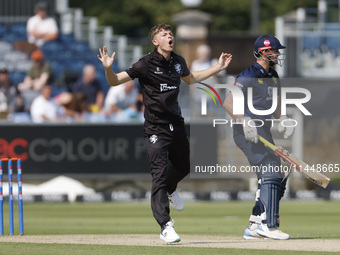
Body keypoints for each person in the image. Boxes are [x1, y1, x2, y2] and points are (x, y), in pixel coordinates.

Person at [98, 24, 232, 243]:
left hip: (176, 123)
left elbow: (191, 78)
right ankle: (165, 226)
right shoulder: (145, 64)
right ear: (155, 41)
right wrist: (107, 69)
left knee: (183, 167)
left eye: (171, 34)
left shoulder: (178, 61)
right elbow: (114, 81)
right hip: (155, 127)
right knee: (158, 174)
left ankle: (171, 189)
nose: (169, 36)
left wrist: (218, 67)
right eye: (164, 34)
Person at [223, 35, 295, 240]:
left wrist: (283, 118)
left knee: (277, 175)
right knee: (271, 171)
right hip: (246, 132)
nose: (278, 54)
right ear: (263, 52)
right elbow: (228, 102)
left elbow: (275, 102)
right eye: (275, 50)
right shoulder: (248, 75)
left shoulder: (273, 75)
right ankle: (267, 224)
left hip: (264, 132)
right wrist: (244, 119)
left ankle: (255, 225)